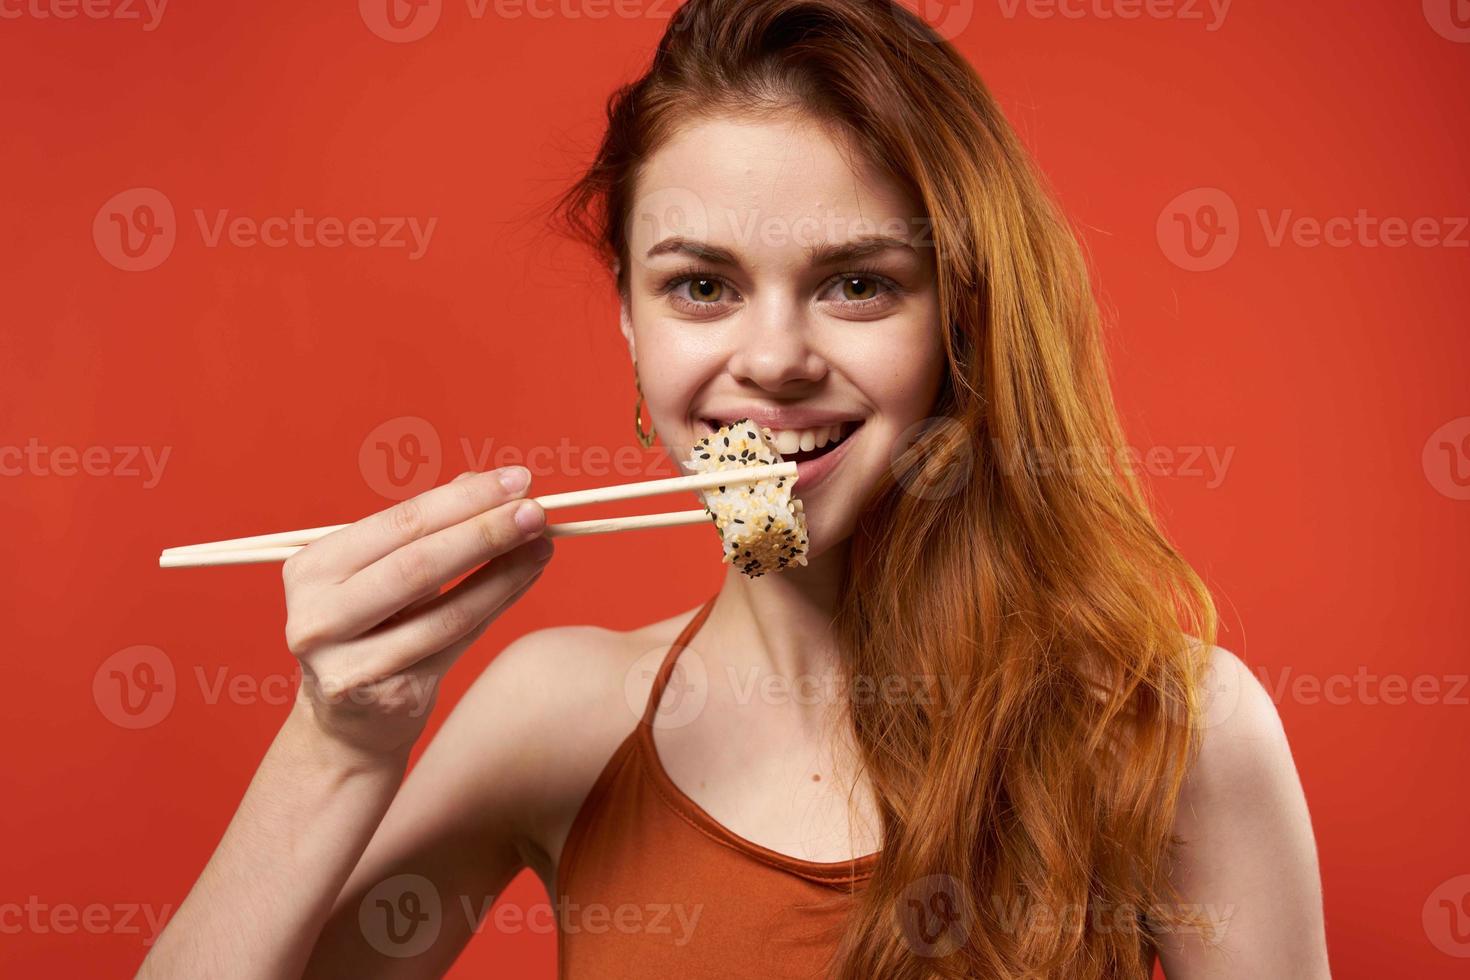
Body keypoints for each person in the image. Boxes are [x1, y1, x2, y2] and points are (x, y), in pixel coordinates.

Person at [140, 1, 1330, 976]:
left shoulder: (1173, 729)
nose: (770, 360)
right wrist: (337, 743)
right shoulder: (558, 716)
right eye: (701, 286)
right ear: (627, 322)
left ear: (965, 318)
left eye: (858, 283)